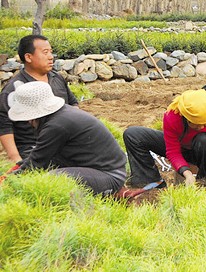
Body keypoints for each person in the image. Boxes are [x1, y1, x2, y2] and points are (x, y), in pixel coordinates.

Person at [3, 81, 126, 195]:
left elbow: (36, 162)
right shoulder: (61, 115)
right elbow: (39, 155)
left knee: (51, 178)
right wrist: (18, 167)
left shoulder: (56, 126)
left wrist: (9, 181)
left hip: (109, 176)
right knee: (45, 169)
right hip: (94, 169)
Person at [123, 90, 206, 188]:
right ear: (185, 118)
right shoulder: (172, 116)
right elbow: (173, 151)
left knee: (204, 140)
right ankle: (149, 182)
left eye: (205, 124)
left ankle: (205, 181)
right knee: (133, 135)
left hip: (203, 151)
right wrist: (187, 174)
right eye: (196, 124)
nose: (201, 127)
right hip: (181, 147)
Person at [0, 34, 78, 163]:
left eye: (51, 52)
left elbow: (73, 104)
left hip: (64, 143)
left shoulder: (56, 78)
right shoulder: (14, 89)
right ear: (28, 57)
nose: (50, 57)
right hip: (33, 149)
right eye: (45, 52)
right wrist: (16, 159)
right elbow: (4, 125)